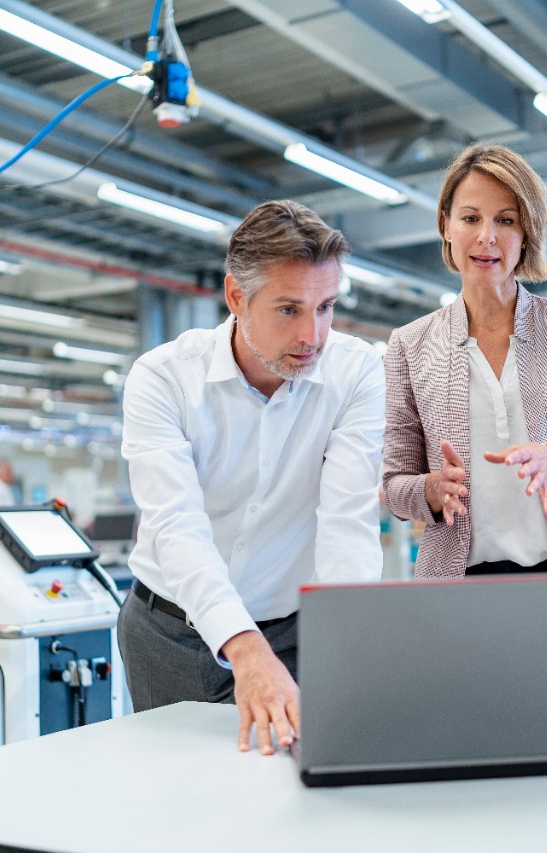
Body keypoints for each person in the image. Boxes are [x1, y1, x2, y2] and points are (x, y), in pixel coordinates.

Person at [381, 143, 547, 726]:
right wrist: (429, 490)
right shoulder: (409, 346)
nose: (487, 238)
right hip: (460, 590)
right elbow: (392, 483)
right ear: (446, 226)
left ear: (528, 234)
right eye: (470, 218)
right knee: (475, 770)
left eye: (506, 220)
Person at [117, 199, 385, 755]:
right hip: (169, 634)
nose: (313, 334)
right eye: (289, 309)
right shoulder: (163, 379)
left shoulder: (356, 373)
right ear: (237, 297)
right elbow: (177, 528)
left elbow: (347, 523)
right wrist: (243, 647)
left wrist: (349, 647)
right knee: (178, 808)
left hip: (292, 633)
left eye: (327, 307)